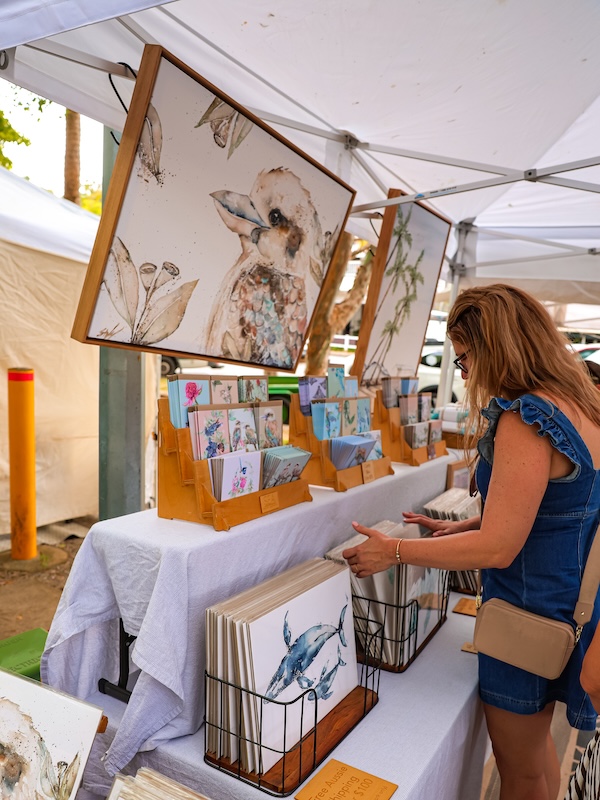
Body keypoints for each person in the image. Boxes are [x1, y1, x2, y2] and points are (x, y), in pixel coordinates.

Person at [343, 284, 600, 800]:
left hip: (526, 618)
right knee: (536, 758)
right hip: (566, 609)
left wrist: (393, 551)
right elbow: (562, 514)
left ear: (494, 348)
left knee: (520, 774)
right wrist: (467, 528)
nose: (463, 374)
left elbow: (499, 549)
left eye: (463, 361)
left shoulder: (528, 419)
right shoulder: (581, 404)